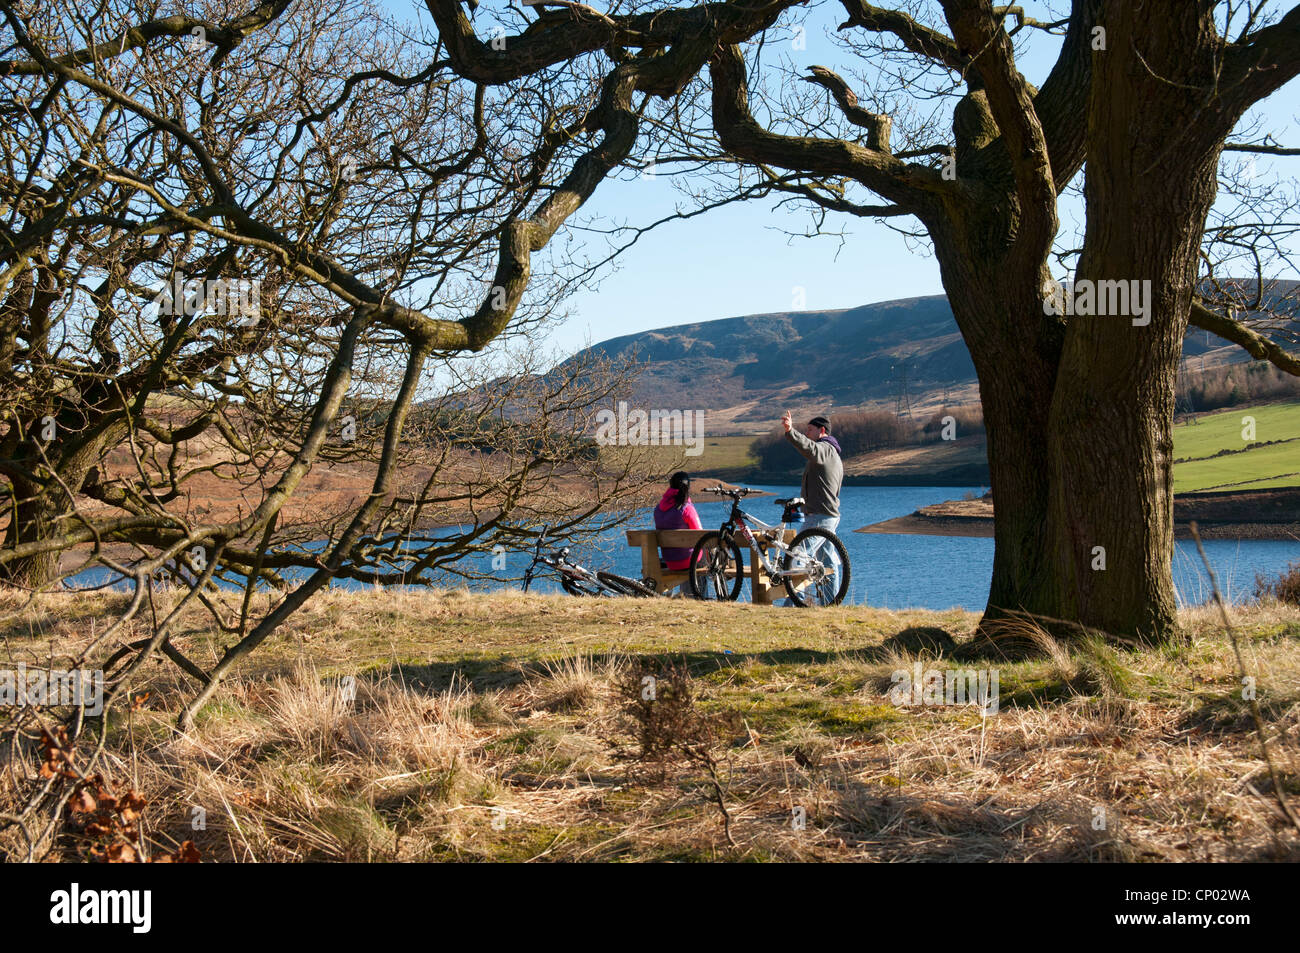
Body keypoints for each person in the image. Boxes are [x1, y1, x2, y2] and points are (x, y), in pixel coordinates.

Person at [781, 412, 843, 536]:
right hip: (825, 515)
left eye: (810, 429)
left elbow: (810, 448)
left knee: (798, 553)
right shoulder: (830, 452)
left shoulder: (826, 448)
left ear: (822, 430)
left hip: (820, 516)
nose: (807, 433)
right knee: (825, 556)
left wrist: (790, 431)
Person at [654, 471, 703, 571]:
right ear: (687, 487)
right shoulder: (686, 509)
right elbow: (700, 534)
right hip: (689, 560)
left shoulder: (658, 509)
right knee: (710, 550)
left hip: (670, 562)